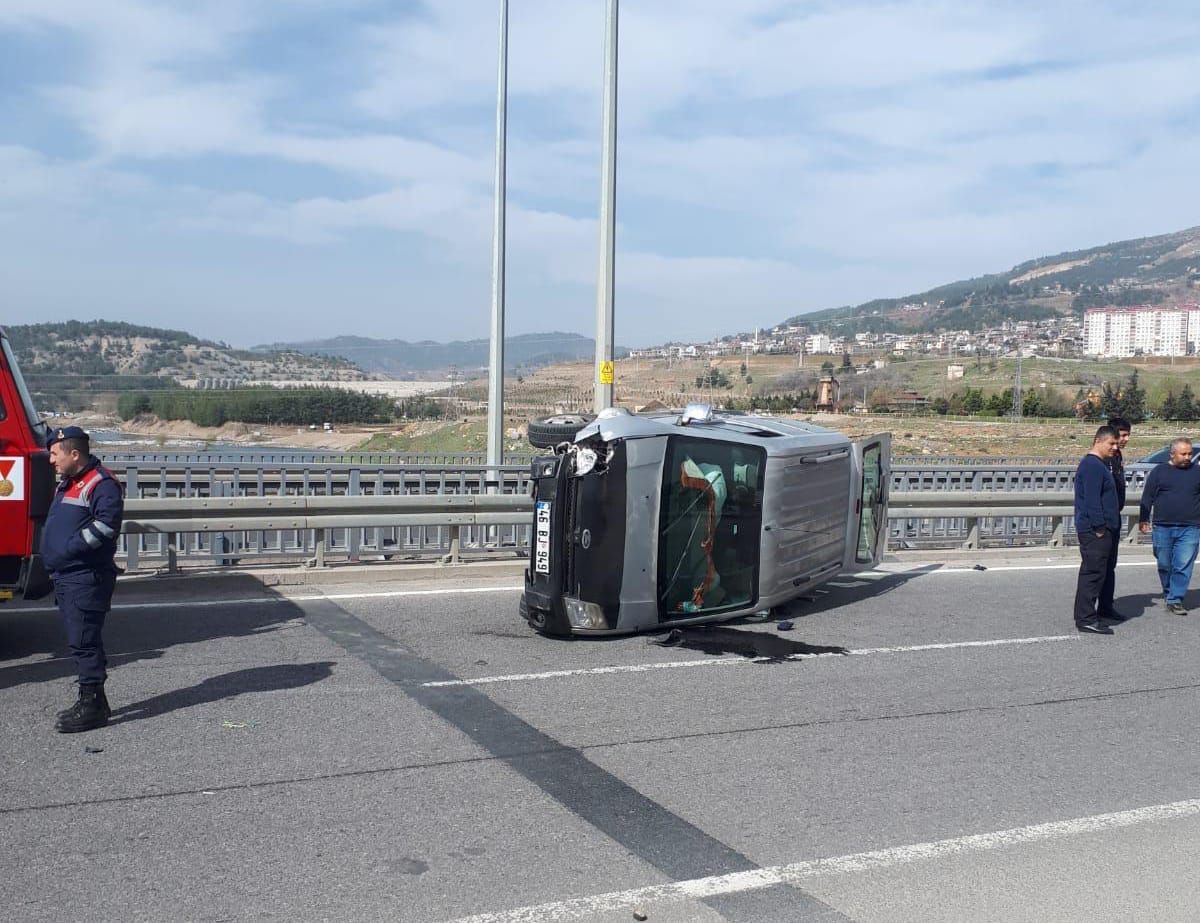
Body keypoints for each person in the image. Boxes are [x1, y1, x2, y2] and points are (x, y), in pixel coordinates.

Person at [41, 426, 124, 733]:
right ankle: (95, 701)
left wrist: (69, 548)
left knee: (84, 641)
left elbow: (106, 526)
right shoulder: (71, 482)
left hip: (86, 576)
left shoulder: (101, 483)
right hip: (69, 576)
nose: (51, 460)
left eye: (55, 453)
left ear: (74, 454)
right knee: (81, 641)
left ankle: (91, 706)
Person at [1138, 437, 1200, 616]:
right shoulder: (1159, 472)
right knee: (1164, 564)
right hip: (1162, 526)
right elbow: (1147, 497)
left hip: (1190, 527)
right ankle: (1169, 591)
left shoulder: (1197, 472)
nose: (1188, 457)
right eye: (1184, 454)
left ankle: (1175, 599)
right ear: (1172, 454)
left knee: (1182, 565)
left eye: (1190, 453)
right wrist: (1143, 519)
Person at [1073, 424, 1122, 634]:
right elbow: (1092, 501)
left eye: (1116, 444)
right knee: (1092, 573)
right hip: (1096, 531)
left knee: (1103, 572)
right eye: (1111, 443)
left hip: (1105, 529)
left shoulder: (1102, 464)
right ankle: (1085, 619)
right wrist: (1099, 527)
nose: (1114, 447)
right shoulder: (1092, 465)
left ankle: (1104, 609)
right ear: (1098, 441)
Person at [1102, 416, 1133, 619]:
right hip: (1103, 520)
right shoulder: (1102, 459)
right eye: (1123, 435)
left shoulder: (1118, 457)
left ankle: (1105, 606)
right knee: (1098, 568)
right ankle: (1089, 612)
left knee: (1110, 566)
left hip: (1115, 516)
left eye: (1128, 435)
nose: (1126, 439)